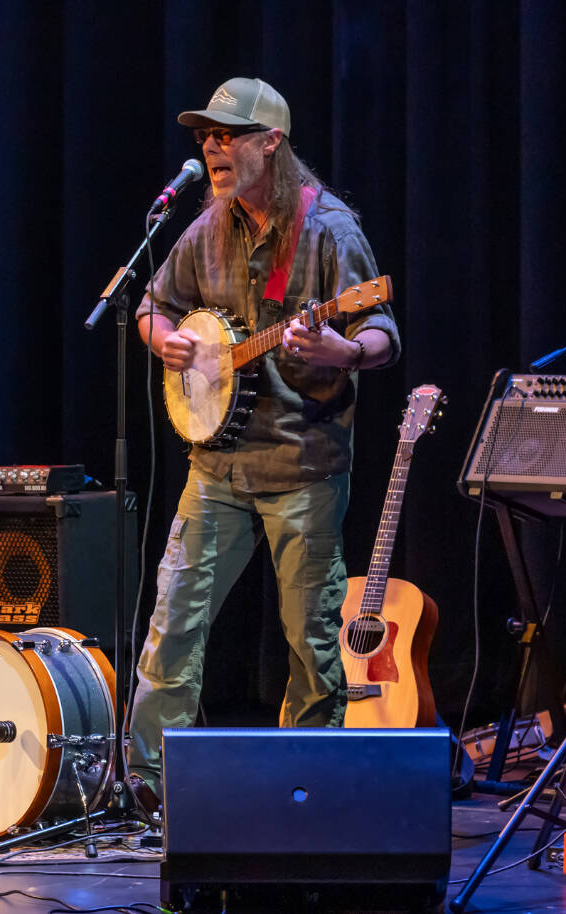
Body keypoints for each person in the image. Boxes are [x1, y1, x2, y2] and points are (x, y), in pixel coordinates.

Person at [126, 78, 400, 813]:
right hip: (214, 465)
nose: (212, 146)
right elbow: (151, 304)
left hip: (301, 465)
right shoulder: (206, 226)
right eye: (205, 136)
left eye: (228, 133)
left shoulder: (329, 230)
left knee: (310, 645)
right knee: (171, 624)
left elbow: (382, 334)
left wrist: (341, 350)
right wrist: (170, 343)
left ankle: (305, 799)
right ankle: (148, 791)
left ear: (271, 142)